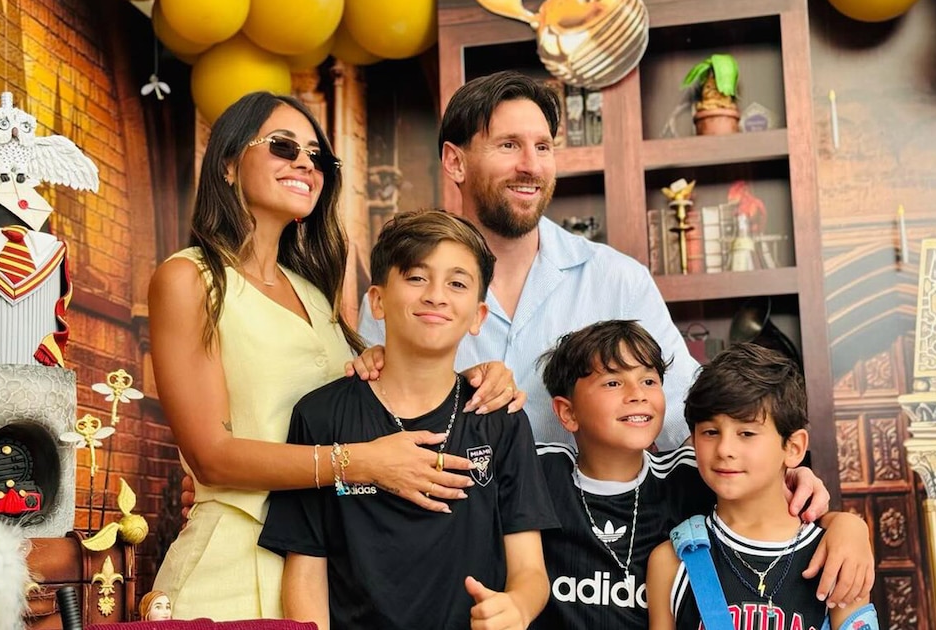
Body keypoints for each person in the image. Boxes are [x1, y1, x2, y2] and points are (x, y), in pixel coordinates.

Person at [149, 93, 509, 620]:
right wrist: (362, 462)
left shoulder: (314, 293)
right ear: (227, 163)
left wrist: (472, 377)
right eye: (283, 146)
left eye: (316, 156)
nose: (304, 163)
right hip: (234, 563)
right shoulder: (189, 278)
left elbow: (350, 397)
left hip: (323, 569)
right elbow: (210, 456)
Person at [356, 70, 701, 451]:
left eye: (543, 147)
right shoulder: (402, 293)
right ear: (455, 162)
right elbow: (371, 432)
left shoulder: (618, 280)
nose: (531, 166)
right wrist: (451, 390)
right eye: (509, 145)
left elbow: (687, 419)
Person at [258, 209, 559, 630]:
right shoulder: (320, 415)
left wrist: (518, 607)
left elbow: (530, 570)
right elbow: (306, 569)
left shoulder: (499, 419)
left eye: (457, 283)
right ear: (377, 301)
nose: (436, 295)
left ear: (478, 316)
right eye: (417, 277)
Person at [531, 322, 873, 629]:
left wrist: (849, 526)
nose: (636, 394)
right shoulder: (539, 475)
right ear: (567, 412)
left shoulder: (686, 474)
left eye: (649, 380)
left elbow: (769, 490)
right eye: (613, 382)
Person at [646, 344, 877, 629]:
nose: (725, 449)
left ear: (793, 447)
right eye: (710, 432)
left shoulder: (838, 556)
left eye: (746, 433)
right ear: (693, 440)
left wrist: (850, 525)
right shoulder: (672, 563)